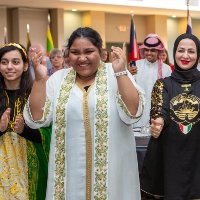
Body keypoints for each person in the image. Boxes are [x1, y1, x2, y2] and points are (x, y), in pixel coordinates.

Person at [24, 27, 145, 200]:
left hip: (114, 177)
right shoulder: (58, 80)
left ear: (101, 53)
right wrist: (40, 79)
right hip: (68, 179)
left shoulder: (115, 74)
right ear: (68, 55)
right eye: (75, 52)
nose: (82, 58)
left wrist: (120, 72)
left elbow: (134, 113)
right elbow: (36, 119)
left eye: (89, 51)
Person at [140, 33, 200, 199]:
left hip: (196, 154)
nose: (186, 56)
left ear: (198, 55)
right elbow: (160, 108)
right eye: (181, 50)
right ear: (174, 53)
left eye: (191, 51)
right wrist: (158, 121)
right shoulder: (163, 84)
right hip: (169, 154)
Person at [0, 43, 51, 199]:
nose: (9, 67)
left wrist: (24, 130)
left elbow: (48, 133)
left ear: (25, 66)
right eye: (4, 62)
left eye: (15, 62)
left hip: (29, 165)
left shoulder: (35, 94)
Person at [128, 34, 172, 131]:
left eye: (152, 50)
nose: (149, 53)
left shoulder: (166, 69)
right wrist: (128, 75)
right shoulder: (136, 66)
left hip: (158, 116)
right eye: (146, 50)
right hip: (138, 116)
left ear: (158, 51)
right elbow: (129, 89)